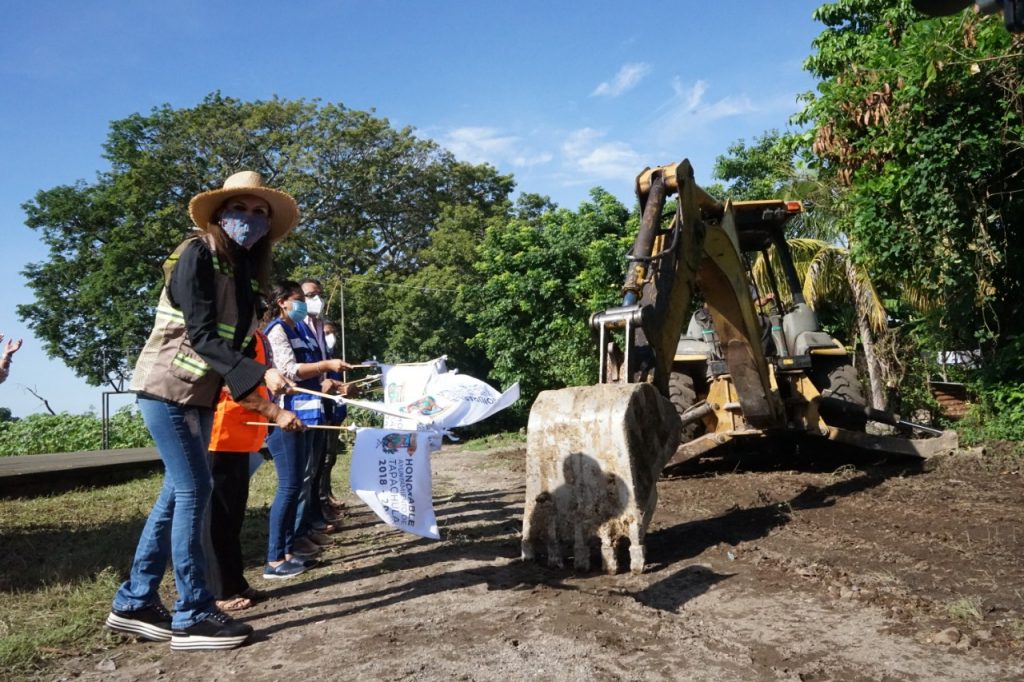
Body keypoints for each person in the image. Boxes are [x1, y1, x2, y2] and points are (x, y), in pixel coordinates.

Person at [105, 171, 304, 652]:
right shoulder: (196, 254)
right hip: (165, 390)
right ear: (218, 214)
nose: (251, 220)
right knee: (196, 489)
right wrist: (261, 376)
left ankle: (134, 601)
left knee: (176, 494)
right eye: (241, 208)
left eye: (261, 213)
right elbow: (201, 336)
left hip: (197, 397)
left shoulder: (241, 275)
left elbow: (230, 364)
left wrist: (272, 409)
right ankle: (193, 612)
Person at [262, 281, 353, 578]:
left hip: (307, 412)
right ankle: (276, 557)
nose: (305, 303)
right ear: (282, 303)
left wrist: (330, 377)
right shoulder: (277, 330)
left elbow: (311, 371)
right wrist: (326, 364)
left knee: (299, 482)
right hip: (288, 413)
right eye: (299, 298)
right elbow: (288, 370)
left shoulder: (300, 328)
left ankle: (288, 550)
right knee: (290, 486)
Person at [204, 328, 272, 612]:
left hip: (242, 435)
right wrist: (274, 410)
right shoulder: (228, 334)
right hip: (221, 435)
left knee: (233, 516)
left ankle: (235, 581)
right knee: (217, 518)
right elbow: (233, 383)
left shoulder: (253, 333)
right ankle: (219, 590)